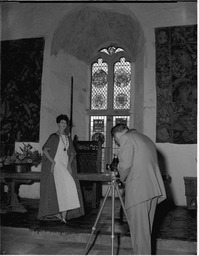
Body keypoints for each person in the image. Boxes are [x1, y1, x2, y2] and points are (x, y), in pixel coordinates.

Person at [111, 123, 166, 255]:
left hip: (139, 192)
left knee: (139, 234)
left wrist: (119, 174)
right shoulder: (145, 138)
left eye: (116, 141)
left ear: (116, 135)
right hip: (152, 190)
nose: (118, 144)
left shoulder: (126, 138)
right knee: (145, 233)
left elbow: (125, 166)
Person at [38, 114, 84, 222]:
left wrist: (69, 164)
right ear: (58, 124)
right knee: (61, 189)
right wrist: (52, 161)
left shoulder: (68, 138)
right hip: (57, 165)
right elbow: (45, 150)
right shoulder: (53, 136)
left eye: (65, 123)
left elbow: (72, 153)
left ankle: (63, 216)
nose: (64, 125)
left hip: (64, 164)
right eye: (62, 122)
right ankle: (59, 215)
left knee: (70, 187)